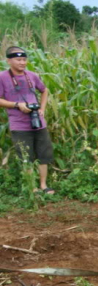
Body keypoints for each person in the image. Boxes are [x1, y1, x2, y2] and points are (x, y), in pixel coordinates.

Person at [0, 46, 55, 194]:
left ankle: (44, 185)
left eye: (24, 59)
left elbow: (44, 90)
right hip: (19, 125)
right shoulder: (2, 77)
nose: (22, 63)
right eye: (18, 60)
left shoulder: (32, 75)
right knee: (26, 156)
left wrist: (42, 109)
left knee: (44, 153)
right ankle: (32, 188)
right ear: (9, 61)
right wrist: (17, 105)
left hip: (38, 122)